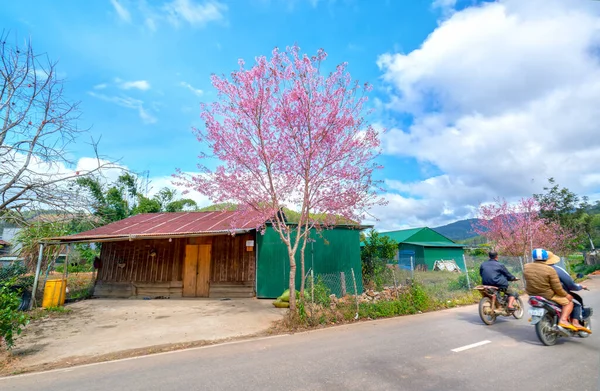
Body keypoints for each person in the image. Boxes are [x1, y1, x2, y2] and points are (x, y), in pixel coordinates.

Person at [523, 248, 576, 331]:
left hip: (532, 294)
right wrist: (566, 295)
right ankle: (563, 320)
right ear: (546, 258)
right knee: (569, 303)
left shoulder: (526, 267)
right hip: (547, 295)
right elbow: (557, 288)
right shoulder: (550, 270)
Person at [544, 251, 592, 334]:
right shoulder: (557, 270)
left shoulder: (536, 269)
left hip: (541, 294)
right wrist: (580, 287)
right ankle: (575, 323)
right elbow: (570, 284)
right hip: (558, 294)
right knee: (576, 304)